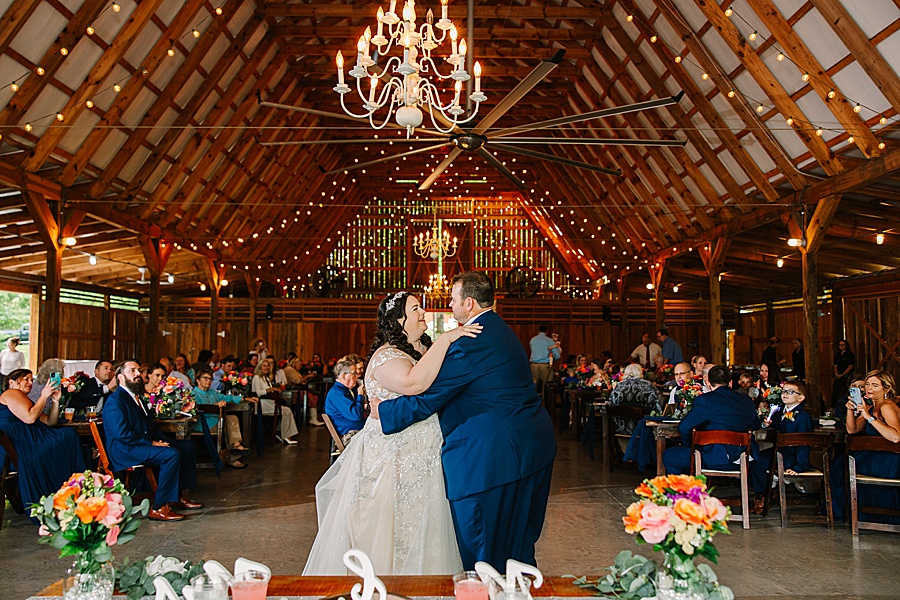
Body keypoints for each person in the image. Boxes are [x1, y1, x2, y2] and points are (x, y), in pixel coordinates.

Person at [377, 272, 557, 570]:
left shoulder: (470, 341)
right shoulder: (499, 329)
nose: (449, 304)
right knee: (518, 549)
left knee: (482, 550)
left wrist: (381, 412)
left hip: (493, 458)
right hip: (531, 447)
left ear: (469, 303)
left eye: (452, 299)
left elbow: (428, 396)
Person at [304, 290, 481, 575]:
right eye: (415, 309)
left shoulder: (424, 350)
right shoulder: (385, 356)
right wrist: (448, 337)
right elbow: (413, 384)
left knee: (427, 528)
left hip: (425, 454)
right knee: (394, 529)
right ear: (398, 320)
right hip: (393, 459)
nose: (423, 312)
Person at [102, 360, 202, 522]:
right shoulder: (116, 401)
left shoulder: (137, 398)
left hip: (140, 443)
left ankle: (176, 496)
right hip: (125, 450)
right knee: (171, 455)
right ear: (120, 377)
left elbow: (151, 427)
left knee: (187, 447)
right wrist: (152, 443)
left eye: (138, 370)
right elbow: (122, 434)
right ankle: (158, 508)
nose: (137, 374)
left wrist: (163, 441)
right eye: (132, 371)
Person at [0, 369, 86, 512]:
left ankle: (68, 495)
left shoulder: (25, 399)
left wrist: (55, 400)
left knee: (68, 435)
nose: (30, 383)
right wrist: (43, 395)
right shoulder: (11, 393)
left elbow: (50, 422)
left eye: (31, 380)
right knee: (68, 436)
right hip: (16, 447)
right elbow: (29, 418)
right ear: (12, 382)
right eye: (26, 379)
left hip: (28, 442)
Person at [662, 365, 760, 476]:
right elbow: (756, 424)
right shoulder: (747, 401)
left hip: (715, 459)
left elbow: (684, 427)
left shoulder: (705, 400)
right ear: (731, 383)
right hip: (744, 458)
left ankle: (686, 492)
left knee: (669, 455)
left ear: (708, 383)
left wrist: (692, 445)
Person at [831, 370, 900, 524]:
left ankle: (844, 513)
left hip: (889, 459)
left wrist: (869, 418)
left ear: (886, 389)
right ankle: (847, 513)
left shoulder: (886, 406)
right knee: (838, 464)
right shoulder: (871, 406)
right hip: (876, 455)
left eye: (875, 385)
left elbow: (896, 436)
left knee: (839, 466)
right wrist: (851, 409)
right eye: (868, 384)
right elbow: (852, 429)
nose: (869, 388)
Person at [751, 379, 814, 513]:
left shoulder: (803, 417)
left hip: (792, 455)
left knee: (758, 464)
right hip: (779, 451)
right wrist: (765, 423)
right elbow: (770, 423)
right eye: (784, 391)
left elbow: (804, 442)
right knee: (753, 459)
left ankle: (762, 495)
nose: (785, 394)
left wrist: (800, 466)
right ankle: (765, 492)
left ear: (801, 398)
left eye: (791, 392)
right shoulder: (779, 412)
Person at [192, 368, 254, 469]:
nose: (208, 381)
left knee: (230, 419)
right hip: (203, 423)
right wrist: (215, 405)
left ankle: (235, 447)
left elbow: (227, 397)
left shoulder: (212, 393)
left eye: (210, 379)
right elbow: (196, 407)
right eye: (205, 378)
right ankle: (234, 452)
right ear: (198, 380)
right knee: (228, 423)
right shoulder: (193, 394)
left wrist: (245, 398)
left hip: (216, 420)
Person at [252, 357, 298, 445]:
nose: (266, 368)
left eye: (268, 366)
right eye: (264, 366)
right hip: (261, 403)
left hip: (270, 402)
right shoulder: (257, 378)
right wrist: (269, 390)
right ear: (260, 367)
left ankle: (284, 434)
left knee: (287, 410)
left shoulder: (266, 378)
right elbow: (258, 393)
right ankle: (286, 435)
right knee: (287, 411)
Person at [608, 363, 660, 435]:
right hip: (643, 427)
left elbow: (611, 404)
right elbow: (657, 404)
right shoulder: (648, 385)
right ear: (640, 372)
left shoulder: (619, 386)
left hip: (620, 427)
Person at [323, 357, 366, 445]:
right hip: (350, 435)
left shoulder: (344, 390)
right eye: (354, 374)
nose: (356, 377)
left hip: (357, 432)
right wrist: (360, 395)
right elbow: (356, 416)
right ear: (343, 376)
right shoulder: (337, 393)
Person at [529, 325, 561, 397]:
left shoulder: (533, 340)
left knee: (534, 386)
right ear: (547, 332)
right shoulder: (550, 341)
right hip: (546, 366)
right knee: (547, 387)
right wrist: (552, 361)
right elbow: (557, 355)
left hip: (534, 365)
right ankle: (547, 405)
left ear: (538, 331)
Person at [832, 339, 855, 406]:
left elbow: (850, 366)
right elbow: (835, 365)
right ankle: (834, 406)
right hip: (838, 375)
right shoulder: (838, 355)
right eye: (840, 345)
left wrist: (843, 374)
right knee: (836, 391)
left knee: (845, 391)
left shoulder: (850, 355)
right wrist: (836, 373)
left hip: (846, 375)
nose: (841, 346)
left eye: (843, 345)